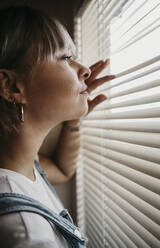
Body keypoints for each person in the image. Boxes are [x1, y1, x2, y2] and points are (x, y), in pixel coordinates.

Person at [0, 5, 115, 248]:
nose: (84, 70)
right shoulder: (27, 233)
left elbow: (63, 170)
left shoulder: (22, 165)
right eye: (66, 58)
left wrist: (73, 119)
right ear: (11, 87)